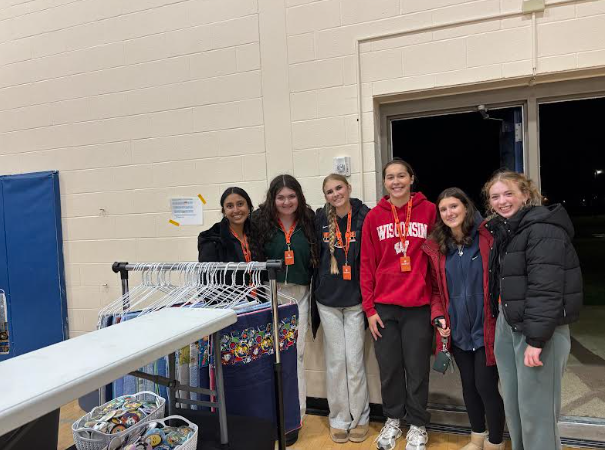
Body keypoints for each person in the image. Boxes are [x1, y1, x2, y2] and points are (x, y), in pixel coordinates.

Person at [483, 170, 582, 450]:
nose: (502, 201)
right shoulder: (507, 231)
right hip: (509, 323)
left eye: (509, 193)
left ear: (525, 195)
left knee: (537, 414)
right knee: (515, 407)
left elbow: (546, 288)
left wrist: (536, 340)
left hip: (538, 331)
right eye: (495, 196)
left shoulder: (543, 229)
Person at [360, 158, 436, 450]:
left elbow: (436, 257)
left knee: (417, 369)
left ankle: (417, 424)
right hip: (384, 308)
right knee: (389, 368)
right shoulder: (374, 217)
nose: (396, 182)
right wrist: (369, 310)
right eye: (390, 177)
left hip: (418, 305)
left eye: (401, 176)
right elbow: (367, 265)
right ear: (384, 182)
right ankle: (393, 420)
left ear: (411, 178)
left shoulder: (429, 211)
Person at [422, 188, 505, 450]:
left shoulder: (487, 238)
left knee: (486, 385)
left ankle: (495, 441)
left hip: (486, 329)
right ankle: (477, 437)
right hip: (457, 332)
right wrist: (438, 317)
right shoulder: (437, 247)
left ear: (466, 207)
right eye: (443, 209)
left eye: (454, 206)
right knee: (468, 386)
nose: (449, 213)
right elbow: (436, 292)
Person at [251, 174, 318, 445]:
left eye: (291, 196)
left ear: (299, 197)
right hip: (270, 293)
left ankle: (293, 418)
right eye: (281, 197)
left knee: (295, 356)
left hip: (300, 294)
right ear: (273, 199)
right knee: (269, 356)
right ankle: (270, 417)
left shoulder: (309, 220)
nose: (287, 202)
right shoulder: (260, 221)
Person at [312, 174, 371, 443]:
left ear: (349, 188)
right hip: (327, 301)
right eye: (329, 191)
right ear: (325, 196)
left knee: (354, 362)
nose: (335, 194)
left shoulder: (364, 216)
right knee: (336, 362)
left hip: (356, 300)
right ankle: (338, 418)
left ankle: (359, 418)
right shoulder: (320, 219)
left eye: (339, 188)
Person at [198, 186, 256, 264]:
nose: (236, 210)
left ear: (248, 207)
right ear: (224, 211)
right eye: (230, 206)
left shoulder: (258, 233)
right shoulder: (211, 240)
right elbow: (208, 271)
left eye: (240, 204)